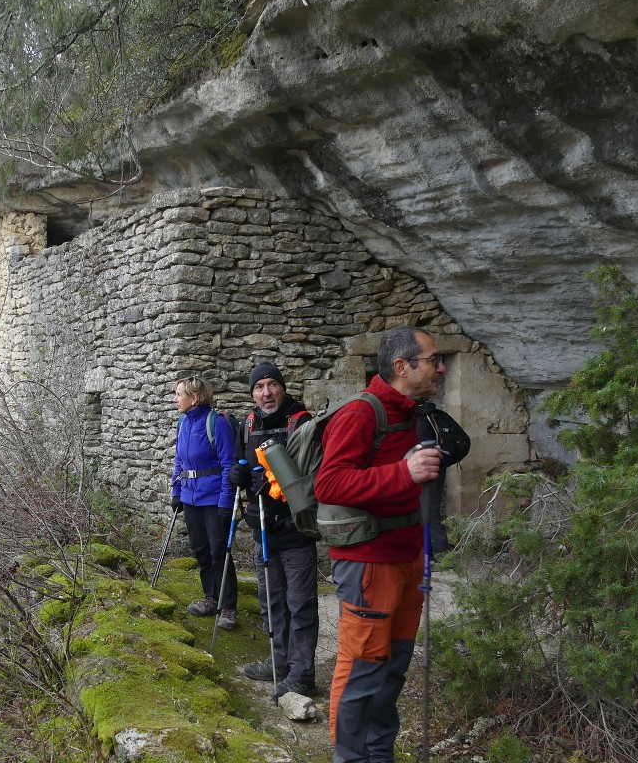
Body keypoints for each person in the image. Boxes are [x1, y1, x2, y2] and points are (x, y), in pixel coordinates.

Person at [314, 325, 446, 763]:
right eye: (433, 360)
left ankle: (378, 754)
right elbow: (329, 483)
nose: (440, 368)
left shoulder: (413, 412)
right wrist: (404, 473)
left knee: (392, 672)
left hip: (407, 557)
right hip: (369, 563)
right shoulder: (361, 414)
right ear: (402, 366)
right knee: (362, 674)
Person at [228, 362, 320, 698]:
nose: (266, 393)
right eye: (259, 387)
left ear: (282, 387)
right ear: (252, 393)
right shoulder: (247, 426)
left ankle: (302, 675)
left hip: (295, 530)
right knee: (271, 601)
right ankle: (278, 661)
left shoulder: (302, 422)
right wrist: (237, 478)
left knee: (300, 604)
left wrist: (274, 482)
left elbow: (311, 476)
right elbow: (240, 465)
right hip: (262, 529)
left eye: (272, 385)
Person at [171, 376, 238, 630]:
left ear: (195, 397)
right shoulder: (182, 422)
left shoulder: (216, 423)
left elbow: (227, 464)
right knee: (200, 549)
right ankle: (211, 598)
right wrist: (176, 490)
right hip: (190, 496)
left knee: (219, 551)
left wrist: (225, 501)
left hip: (212, 498)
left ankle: (228, 607)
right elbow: (179, 460)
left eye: (179, 394)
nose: (175, 399)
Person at [417, 403, 470, 555]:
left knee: (427, 511)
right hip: (437, 467)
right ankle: (437, 554)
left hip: (422, 468)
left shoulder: (416, 419)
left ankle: (439, 554)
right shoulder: (433, 415)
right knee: (431, 510)